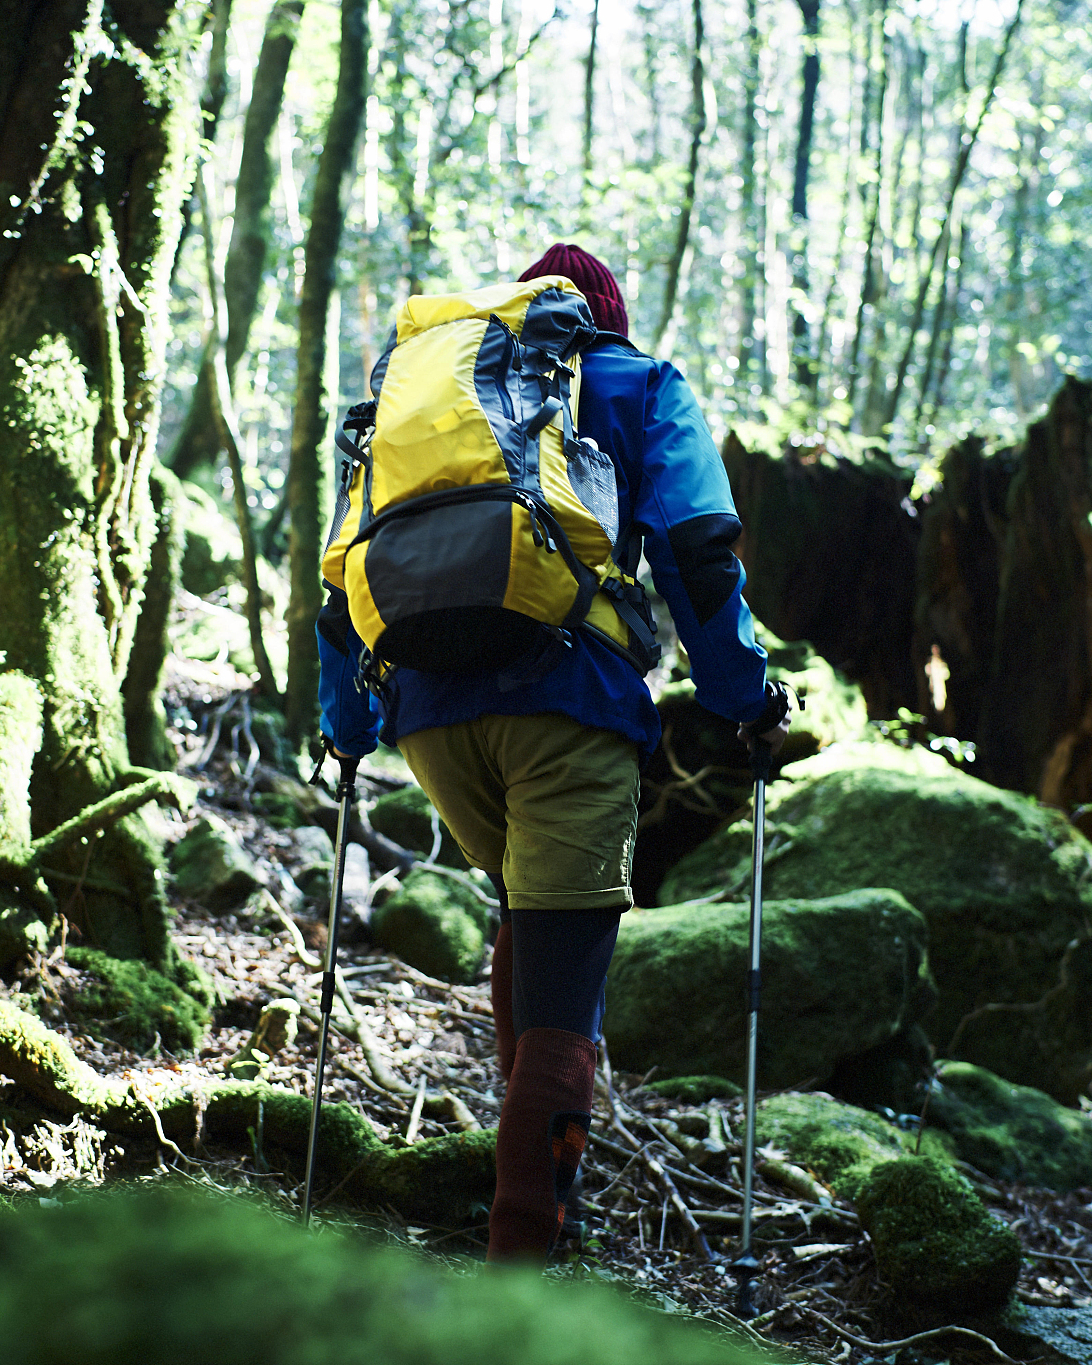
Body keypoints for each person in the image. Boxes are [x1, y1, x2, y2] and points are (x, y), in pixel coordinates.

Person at [317, 243, 790, 1264]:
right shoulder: (636, 383)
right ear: (603, 318)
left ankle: (525, 1190)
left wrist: (347, 726)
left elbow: (342, 570)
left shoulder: (437, 393)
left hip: (429, 715)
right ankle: (524, 1264)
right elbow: (698, 551)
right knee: (566, 986)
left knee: (526, 923)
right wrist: (745, 698)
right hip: (568, 705)